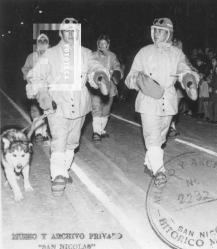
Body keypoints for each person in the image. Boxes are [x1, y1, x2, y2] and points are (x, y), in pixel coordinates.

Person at [26, 17, 110, 196]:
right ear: (60, 33)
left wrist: (100, 78)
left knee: (72, 142)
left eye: (74, 31)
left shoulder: (87, 53)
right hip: (56, 104)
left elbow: (95, 67)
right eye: (67, 31)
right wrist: (42, 94)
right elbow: (35, 76)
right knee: (59, 139)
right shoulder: (49, 54)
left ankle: (63, 169)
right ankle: (57, 176)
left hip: (80, 104)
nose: (70, 34)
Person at [125, 17, 199, 186]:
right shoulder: (144, 52)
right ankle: (159, 171)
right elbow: (130, 76)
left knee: (160, 137)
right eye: (155, 30)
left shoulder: (177, 53)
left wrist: (189, 81)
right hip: (148, 99)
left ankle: (149, 163)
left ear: (169, 33)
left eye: (161, 31)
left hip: (169, 100)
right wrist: (138, 80)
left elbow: (184, 68)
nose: (157, 34)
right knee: (152, 136)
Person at [91, 34, 123, 142]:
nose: (103, 46)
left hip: (110, 88)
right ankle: (96, 132)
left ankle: (100, 130)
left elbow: (118, 68)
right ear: (98, 45)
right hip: (96, 88)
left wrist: (116, 73)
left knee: (106, 111)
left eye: (105, 44)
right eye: (101, 44)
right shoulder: (93, 55)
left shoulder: (112, 56)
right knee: (96, 109)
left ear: (108, 45)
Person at [21, 33, 50, 143]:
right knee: (35, 109)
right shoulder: (31, 56)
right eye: (40, 42)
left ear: (48, 44)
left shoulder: (52, 56)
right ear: (37, 44)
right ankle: (38, 132)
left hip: (48, 87)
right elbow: (25, 69)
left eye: (45, 42)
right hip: (35, 87)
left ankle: (44, 132)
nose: (42, 44)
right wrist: (29, 79)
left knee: (47, 110)